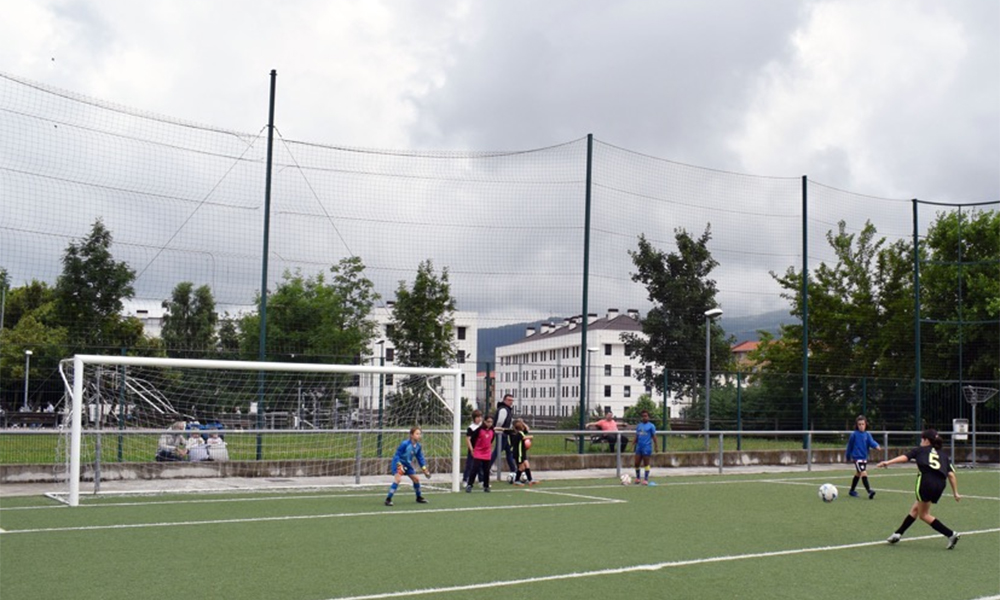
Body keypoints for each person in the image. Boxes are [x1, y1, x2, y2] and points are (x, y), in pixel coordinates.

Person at [876, 428, 961, 549]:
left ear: (926, 440)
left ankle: (951, 534)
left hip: (926, 482)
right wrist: (955, 492)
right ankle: (898, 534)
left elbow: (905, 457)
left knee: (924, 515)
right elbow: (951, 475)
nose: (921, 441)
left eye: (922, 439)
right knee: (916, 508)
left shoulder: (920, 450)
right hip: (940, 484)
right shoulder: (943, 454)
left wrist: (887, 462)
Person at [385, 426, 431, 506]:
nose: (419, 435)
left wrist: (424, 469)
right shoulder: (405, 444)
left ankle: (419, 497)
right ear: (411, 435)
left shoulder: (418, 446)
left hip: (407, 464)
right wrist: (399, 465)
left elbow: (420, 458)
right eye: (417, 434)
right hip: (398, 463)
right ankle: (388, 499)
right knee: (398, 479)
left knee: (416, 479)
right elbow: (397, 455)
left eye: (420, 434)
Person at [845, 415, 880, 499]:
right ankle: (869, 491)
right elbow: (849, 446)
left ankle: (852, 490)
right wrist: (848, 456)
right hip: (857, 458)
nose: (861, 426)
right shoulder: (854, 434)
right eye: (859, 424)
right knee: (863, 472)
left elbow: (871, 442)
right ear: (857, 425)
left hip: (864, 458)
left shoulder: (867, 434)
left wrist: (876, 446)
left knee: (858, 473)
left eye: (862, 424)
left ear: (865, 424)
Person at [467, 415, 496, 493]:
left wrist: (489, 449)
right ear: (484, 422)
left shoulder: (492, 431)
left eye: (491, 422)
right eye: (488, 422)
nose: (490, 423)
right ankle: (469, 485)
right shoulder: (479, 430)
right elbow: (473, 439)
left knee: (486, 470)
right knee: (474, 469)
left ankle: (486, 486)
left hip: (487, 453)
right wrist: (473, 449)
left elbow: (491, 440)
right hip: (478, 452)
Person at [491, 393, 516, 477]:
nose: (511, 402)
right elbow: (500, 422)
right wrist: (499, 431)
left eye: (512, 400)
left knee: (508, 452)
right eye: (509, 400)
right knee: (497, 451)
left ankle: (513, 469)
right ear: (504, 400)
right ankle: (486, 468)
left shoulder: (506, 409)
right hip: (502, 434)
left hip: (504, 434)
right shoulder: (503, 410)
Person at [632, 410, 658, 485]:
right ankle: (638, 478)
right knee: (636, 463)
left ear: (648, 417)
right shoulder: (639, 426)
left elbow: (654, 437)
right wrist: (633, 443)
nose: (644, 417)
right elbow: (637, 435)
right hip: (639, 447)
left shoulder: (651, 426)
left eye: (646, 416)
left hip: (647, 447)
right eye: (643, 416)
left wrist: (656, 446)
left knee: (646, 463)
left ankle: (646, 479)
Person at [509, 418, 536, 485]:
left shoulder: (521, 433)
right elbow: (524, 437)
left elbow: (527, 429)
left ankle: (530, 479)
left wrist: (522, 422)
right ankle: (516, 480)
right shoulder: (518, 434)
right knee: (521, 467)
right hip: (519, 454)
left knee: (527, 465)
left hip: (522, 453)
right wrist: (531, 437)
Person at [463, 409, 484, 486]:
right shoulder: (471, 428)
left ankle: (481, 481)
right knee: (470, 464)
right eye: (477, 417)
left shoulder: (483, 427)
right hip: (473, 449)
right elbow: (468, 439)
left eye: (480, 417)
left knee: (480, 465)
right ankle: (465, 480)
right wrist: (471, 449)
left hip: (481, 449)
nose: (479, 419)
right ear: (474, 418)